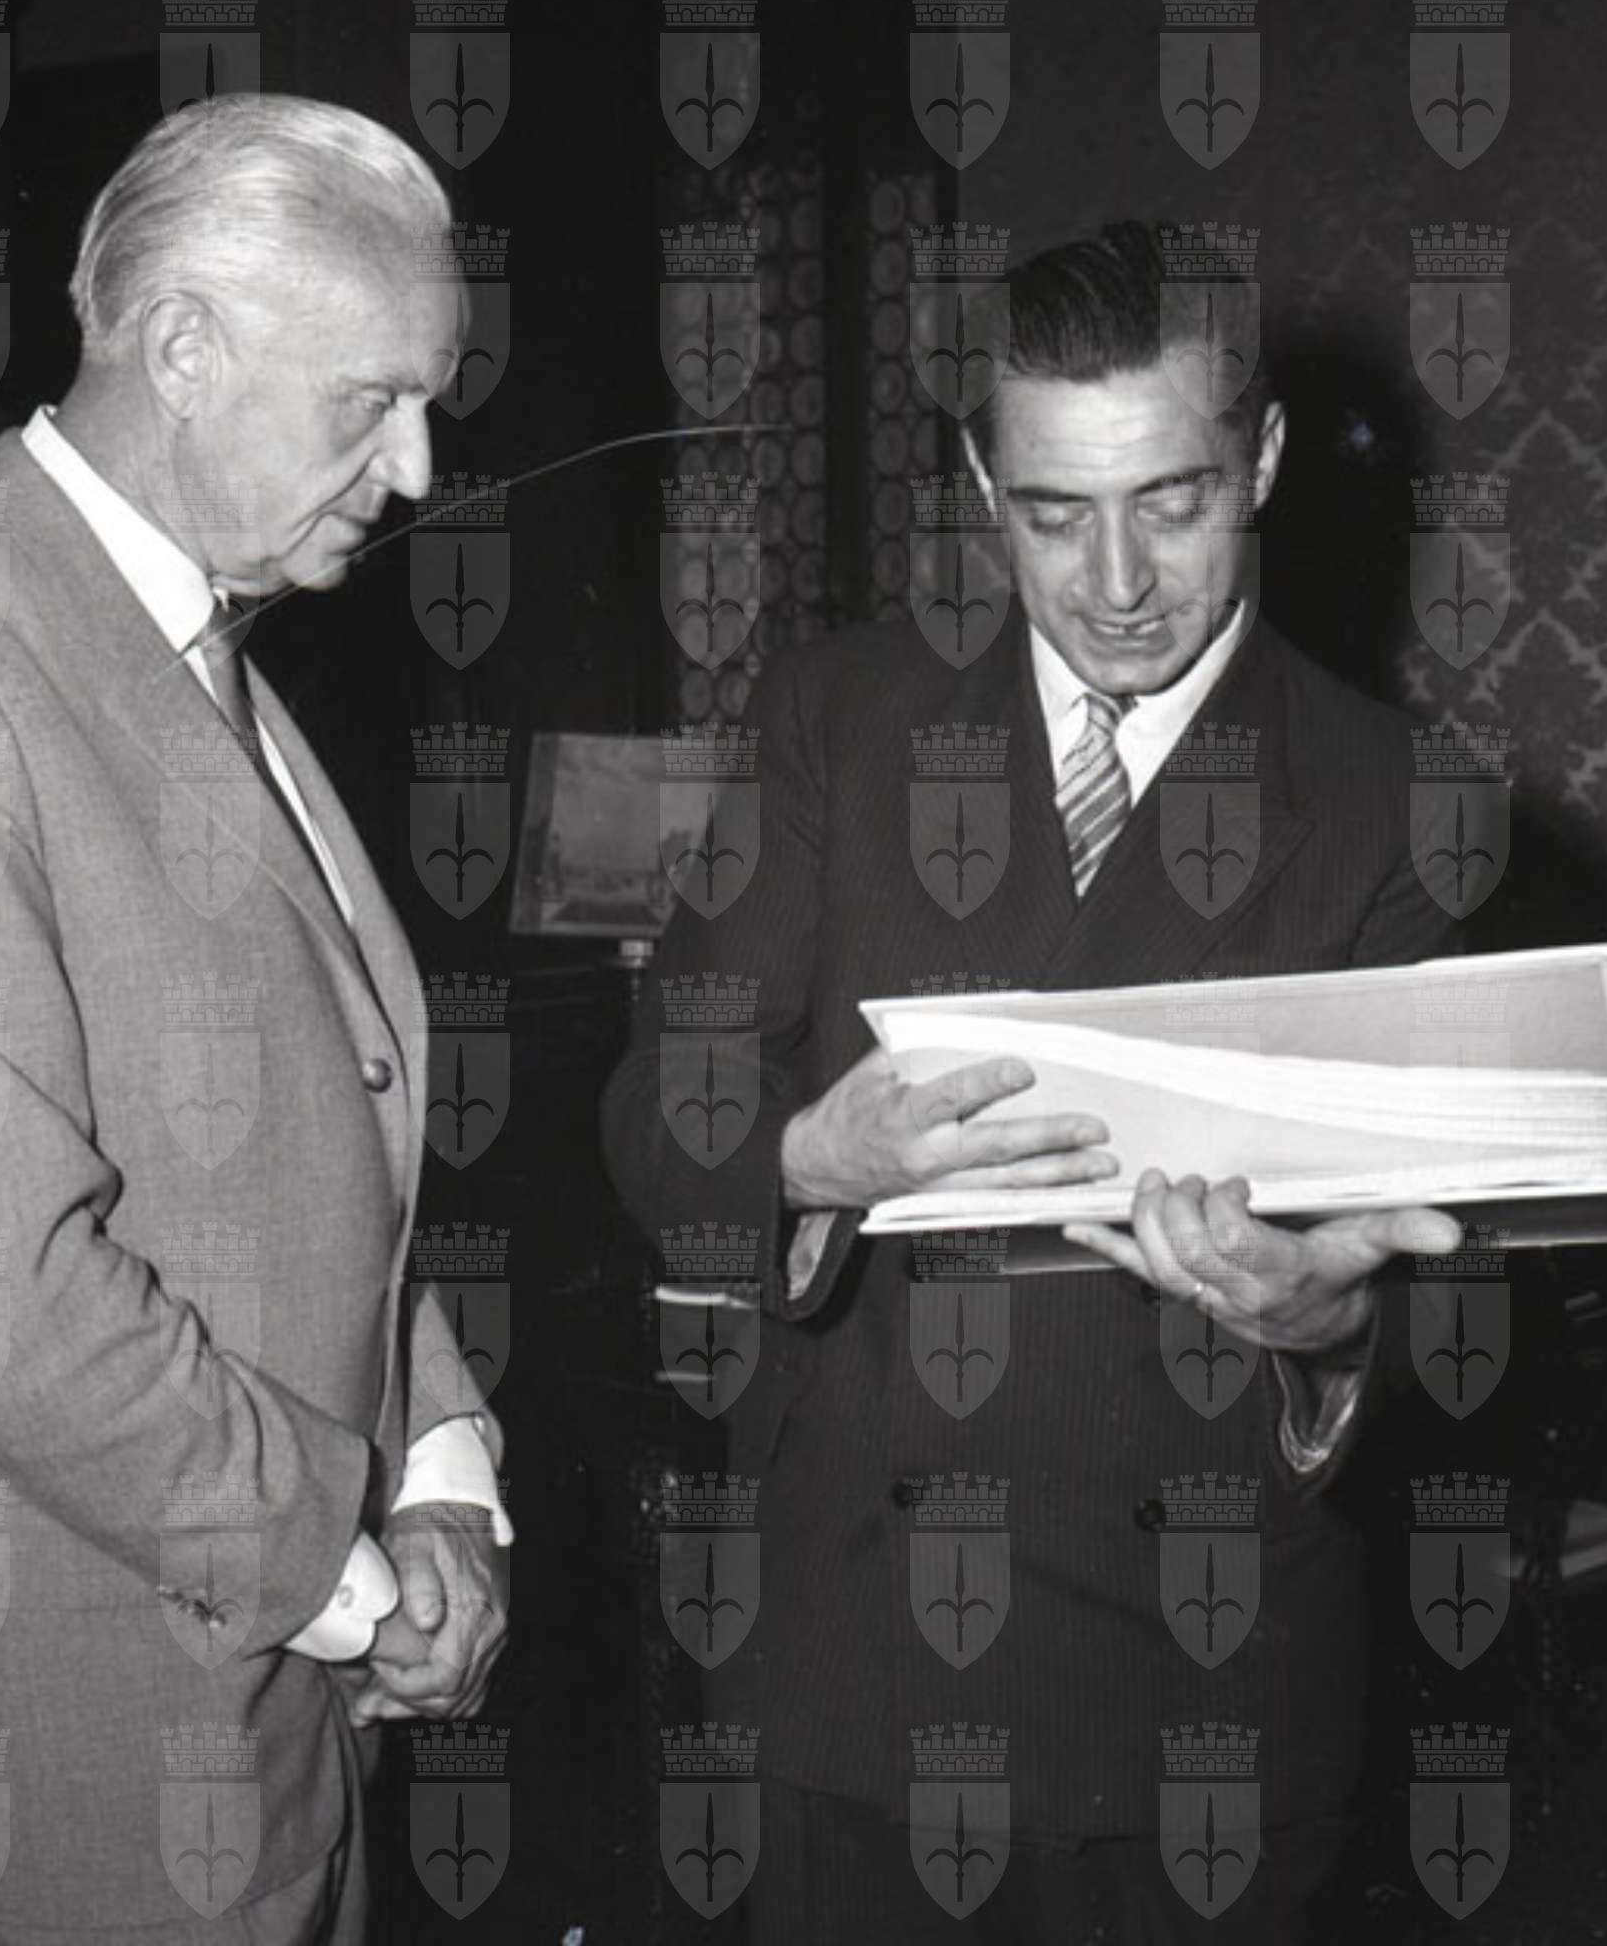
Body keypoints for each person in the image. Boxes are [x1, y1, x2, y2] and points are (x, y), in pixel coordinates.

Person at [601, 221, 1461, 1941]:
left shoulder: (1396, 801)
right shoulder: (840, 716)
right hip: (857, 1669)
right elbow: (652, 1109)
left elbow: (1462, 1292)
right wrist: (802, 1156)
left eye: (1173, 502)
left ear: (1262, 461)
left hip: (1198, 1708)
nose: (1116, 580)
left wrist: (1326, 1330)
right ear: (984, 484)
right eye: (1054, 515)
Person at [0, 97, 513, 1942]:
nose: (414, 467)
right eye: (371, 400)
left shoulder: (188, 629)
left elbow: (322, 1131)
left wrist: (439, 1473)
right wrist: (351, 1576)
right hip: (72, 1788)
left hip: (270, 1752)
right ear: (180, 349)